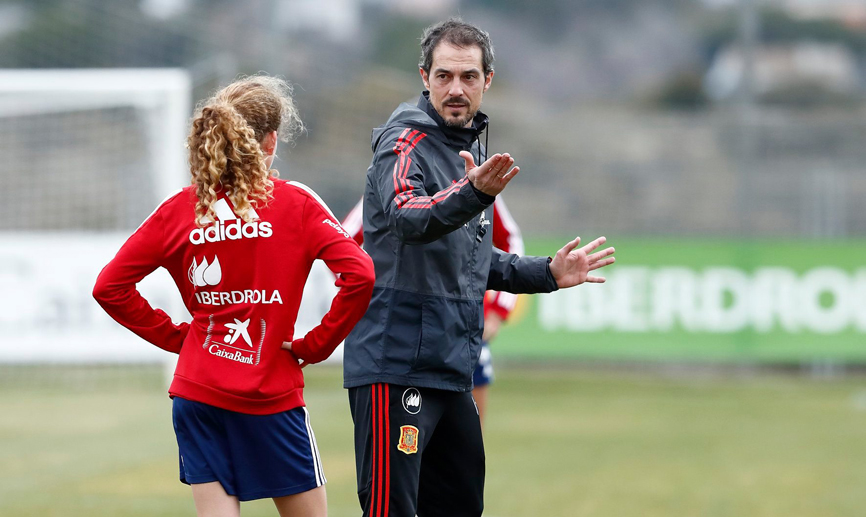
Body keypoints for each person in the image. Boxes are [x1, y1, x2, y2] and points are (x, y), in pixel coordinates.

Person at [342, 18, 615, 517]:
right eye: (444, 76)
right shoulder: (403, 144)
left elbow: (466, 261)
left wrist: (547, 274)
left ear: (488, 80)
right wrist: (472, 193)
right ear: (423, 76)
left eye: (468, 77)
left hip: (450, 368)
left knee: (462, 507)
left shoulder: (464, 149)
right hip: (396, 365)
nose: (456, 89)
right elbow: (408, 218)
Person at [92, 75, 375, 517]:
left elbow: (108, 287)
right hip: (269, 392)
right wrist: (315, 345)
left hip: (197, 389)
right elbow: (359, 274)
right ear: (270, 142)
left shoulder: (180, 209)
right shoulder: (295, 202)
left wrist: (180, 339)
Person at [341, 194, 524, 425]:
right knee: (405, 437)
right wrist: (367, 296)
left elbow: (511, 240)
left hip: (463, 324)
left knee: (467, 439)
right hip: (400, 329)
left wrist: (498, 309)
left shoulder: (479, 182)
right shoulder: (389, 179)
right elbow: (344, 242)